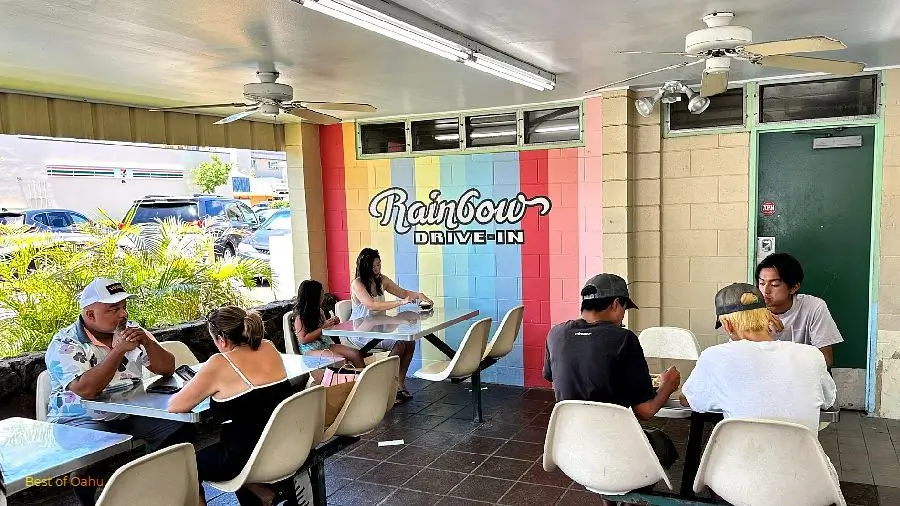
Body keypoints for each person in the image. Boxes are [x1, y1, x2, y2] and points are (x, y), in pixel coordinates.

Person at [44, 278, 188, 504]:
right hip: (79, 416)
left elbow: (167, 368)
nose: (123, 314)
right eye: (113, 309)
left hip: (131, 410)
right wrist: (118, 350)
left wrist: (148, 343)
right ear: (90, 315)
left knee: (179, 430)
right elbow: (86, 390)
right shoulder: (65, 342)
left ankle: (157, 489)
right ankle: (87, 495)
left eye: (124, 307)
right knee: (96, 453)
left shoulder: (130, 329)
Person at [543, 273, 680, 469]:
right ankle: (628, 492)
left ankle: (609, 492)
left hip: (571, 445)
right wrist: (669, 384)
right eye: (624, 308)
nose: (624, 314)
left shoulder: (556, 333)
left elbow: (553, 378)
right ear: (616, 304)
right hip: (614, 446)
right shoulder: (624, 339)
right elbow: (645, 411)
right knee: (663, 445)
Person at [169, 306, 293, 506]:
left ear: (222, 340)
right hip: (283, 446)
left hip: (245, 457)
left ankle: (262, 493)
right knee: (240, 439)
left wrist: (193, 385)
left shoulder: (219, 362)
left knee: (184, 467)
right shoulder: (268, 346)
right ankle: (263, 493)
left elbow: (175, 405)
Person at [680, 283, 836, 433]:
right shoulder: (812, 355)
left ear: (727, 325)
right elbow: (828, 400)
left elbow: (689, 400)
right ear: (768, 317)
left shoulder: (714, 356)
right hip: (805, 459)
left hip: (740, 458)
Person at [347, 248, 432, 402]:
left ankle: (399, 385)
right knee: (400, 344)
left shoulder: (382, 280)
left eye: (379, 265)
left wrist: (420, 295)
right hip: (362, 332)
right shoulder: (357, 284)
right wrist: (401, 303)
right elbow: (372, 305)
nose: (377, 269)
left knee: (409, 341)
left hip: (382, 329)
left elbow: (404, 293)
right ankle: (386, 388)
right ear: (365, 267)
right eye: (374, 267)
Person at [756, 253, 843, 367]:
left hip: (802, 376)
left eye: (775, 284)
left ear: (794, 287)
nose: (765, 290)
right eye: (761, 283)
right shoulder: (751, 309)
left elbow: (825, 360)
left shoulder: (814, 307)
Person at [292, 280, 365, 373]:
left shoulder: (319, 311)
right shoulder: (300, 317)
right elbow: (303, 339)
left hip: (325, 345)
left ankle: (364, 380)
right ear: (313, 296)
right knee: (341, 360)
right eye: (321, 293)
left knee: (355, 354)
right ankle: (348, 383)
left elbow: (325, 329)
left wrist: (333, 323)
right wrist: (323, 327)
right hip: (310, 351)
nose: (323, 295)